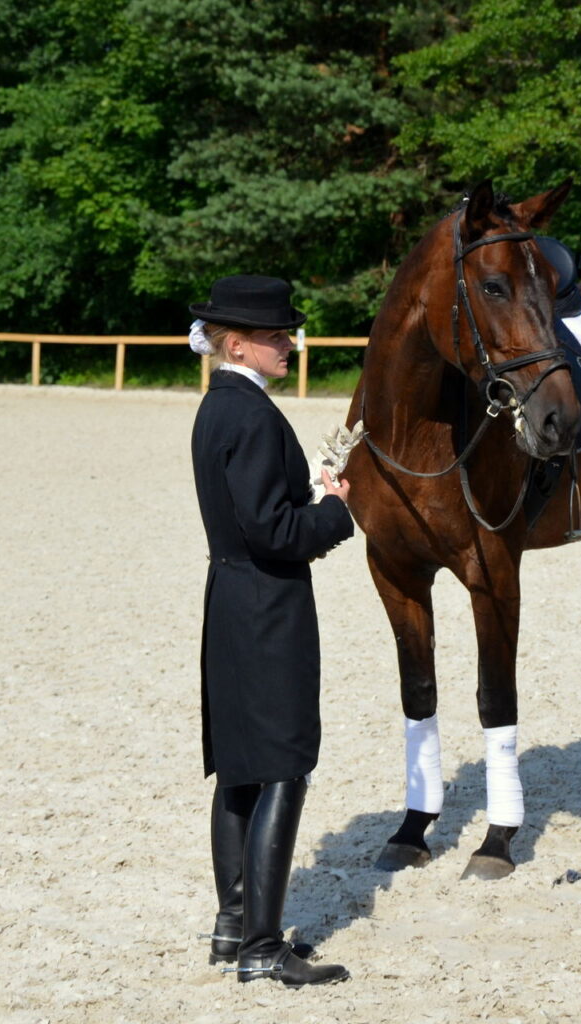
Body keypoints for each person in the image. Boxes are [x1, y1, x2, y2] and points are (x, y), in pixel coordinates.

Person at [189, 274, 354, 988]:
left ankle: (233, 926)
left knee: (240, 767)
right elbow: (275, 529)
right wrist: (335, 511)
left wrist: (307, 490)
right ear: (237, 344)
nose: (288, 343)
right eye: (276, 335)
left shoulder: (215, 408)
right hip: (267, 603)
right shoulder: (254, 416)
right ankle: (261, 946)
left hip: (229, 594)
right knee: (284, 763)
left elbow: (253, 513)